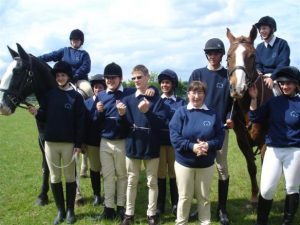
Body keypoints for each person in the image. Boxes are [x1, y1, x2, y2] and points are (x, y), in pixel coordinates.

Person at [28, 61, 86, 224]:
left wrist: (78, 144)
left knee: (69, 177)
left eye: (63, 75)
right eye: (58, 75)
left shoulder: (76, 97)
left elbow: (80, 122)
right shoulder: (50, 95)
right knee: (54, 177)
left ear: (68, 76)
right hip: (51, 144)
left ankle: (70, 211)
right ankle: (60, 211)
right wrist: (36, 113)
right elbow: (44, 116)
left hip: (68, 144)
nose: (60, 78)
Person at [188, 38, 233, 225]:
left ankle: (222, 209)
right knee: (199, 169)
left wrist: (231, 117)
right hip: (198, 128)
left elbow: (233, 101)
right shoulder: (197, 73)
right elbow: (190, 99)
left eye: (216, 53)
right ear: (206, 54)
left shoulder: (228, 75)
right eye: (210, 53)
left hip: (220, 128)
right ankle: (200, 207)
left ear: (222, 55)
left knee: (222, 168)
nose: (213, 56)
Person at [248, 66, 300, 225]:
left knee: (292, 188)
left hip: (295, 151)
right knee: (266, 189)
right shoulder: (273, 102)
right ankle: (261, 222)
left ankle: (287, 221)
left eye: (289, 83)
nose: (285, 87)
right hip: (273, 150)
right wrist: (254, 99)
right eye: (282, 83)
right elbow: (255, 116)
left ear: (296, 85)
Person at [169, 81, 225, 225]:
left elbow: (219, 137)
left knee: (204, 197)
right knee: (185, 197)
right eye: (193, 92)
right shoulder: (181, 112)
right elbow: (175, 137)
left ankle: (205, 221)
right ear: (188, 94)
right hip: (184, 163)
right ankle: (181, 222)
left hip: (206, 164)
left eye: (200, 92)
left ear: (204, 95)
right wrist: (192, 146)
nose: (196, 96)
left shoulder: (213, 114)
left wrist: (207, 145)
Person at [118, 65, 167, 225]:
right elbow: (124, 127)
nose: (136, 80)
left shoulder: (156, 99)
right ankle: (129, 213)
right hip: (133, 145)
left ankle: (151, 214)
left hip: (151, 145)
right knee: (132, 180)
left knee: (152, 181)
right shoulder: (128, 99)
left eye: (139, 77)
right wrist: (122, 115)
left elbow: (160, 123)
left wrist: (147, 111)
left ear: (147, 77)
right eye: (133, 78)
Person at [156, 69, 186, 217]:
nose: (164, 85)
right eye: (162, 82)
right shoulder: (157, 101)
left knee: (175, 174)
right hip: (160, 143)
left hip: (175, 144)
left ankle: (176, 203)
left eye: (167, 82)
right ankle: (160, 204)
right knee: (160, 174)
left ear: (173, 84)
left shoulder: (181, 102)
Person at [39, 28, 93, 98]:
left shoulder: (84, 54)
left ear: (81, 41)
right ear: (71, 40)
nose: (75, 41)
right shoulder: (65, 51)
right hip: (62, 78)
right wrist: (36, 58)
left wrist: (75, 75)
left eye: (77, 39)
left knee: (88, 89)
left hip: (79, 80)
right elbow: (51, 56)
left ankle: (92, 107)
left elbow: (86, 67)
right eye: (73, 39)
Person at [83, 74, 106, 206]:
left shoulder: (108, 101)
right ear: (93, 88)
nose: (98, 89)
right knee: (95, 169)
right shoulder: (86, 103)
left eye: (101, 87)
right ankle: (97, 194)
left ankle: (109, 193)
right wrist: (83, 142)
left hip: (107, 140)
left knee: (109, 170)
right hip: (92, 142)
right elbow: (84, 123)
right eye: (96, 87)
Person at [255, 16, 290, 90]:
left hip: (278, 78)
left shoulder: (282, 44)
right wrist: (259, 72)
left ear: (272, 29)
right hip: (263, 78)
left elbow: (283, 64)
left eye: (264, 28)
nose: (261, 31)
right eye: (260, 29)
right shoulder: (259, 47)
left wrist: (272, 78)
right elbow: (258, 64)